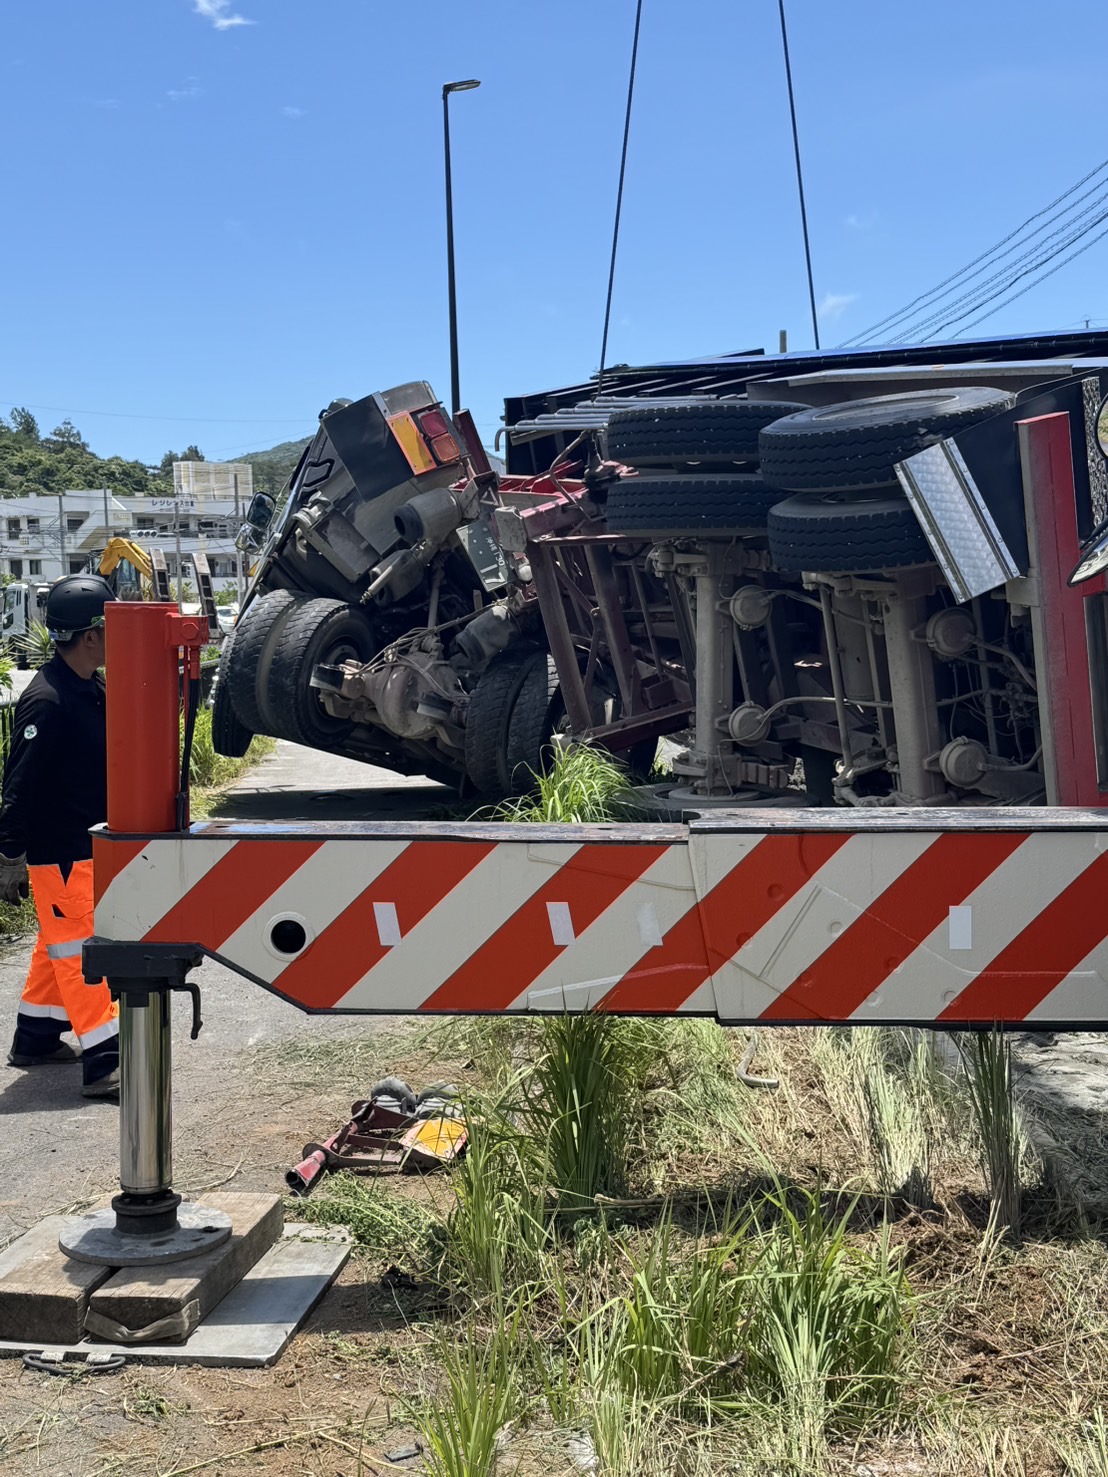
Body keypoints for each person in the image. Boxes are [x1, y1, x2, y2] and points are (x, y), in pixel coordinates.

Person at [1, 574, 120, 1100]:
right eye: (111, 625)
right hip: (62, 853)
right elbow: (17, 785)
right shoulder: (46, 701)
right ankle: (107, 1060)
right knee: (81, 955)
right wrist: (8, 854)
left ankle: (37, 1033)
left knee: (59, 945)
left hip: (85, 846)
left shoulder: (89, 689)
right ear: (91, 635)